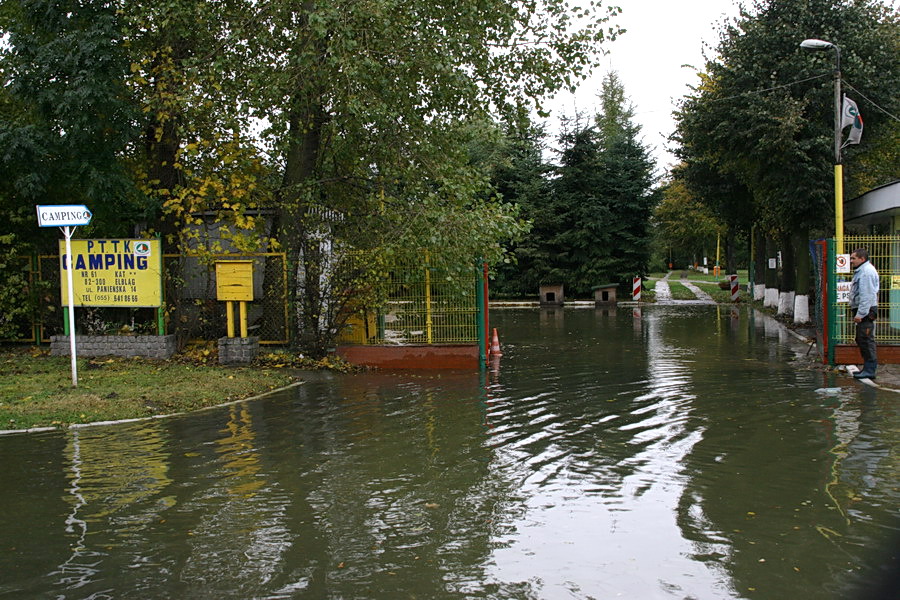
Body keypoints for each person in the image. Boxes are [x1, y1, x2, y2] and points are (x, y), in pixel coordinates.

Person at [849, 248, 879, 379]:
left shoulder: (866, 273)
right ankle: (867, 368)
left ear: (862, 259)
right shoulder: (861, 271)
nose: (851, 261)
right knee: (861, 339)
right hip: (864, 310)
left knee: (866, 340)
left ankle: (870, 370)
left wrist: (860, 314)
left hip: (866, 312)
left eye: (853, 258)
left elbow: (866, 295)